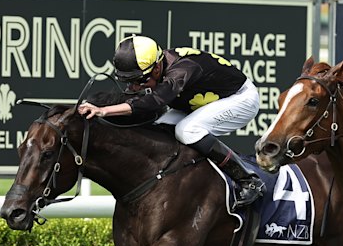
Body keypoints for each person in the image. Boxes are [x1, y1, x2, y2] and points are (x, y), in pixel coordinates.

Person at [78, 35, 264, 208]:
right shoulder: (156, 67)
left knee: (187, 130)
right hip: (205, 101)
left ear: (157, 69)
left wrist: (104, 110)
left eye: (138, 80)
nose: (134, 87)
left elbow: (154, 101)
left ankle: (248, 180)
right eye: (129, 81)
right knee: (158, 130)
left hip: (241, 99)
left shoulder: (183, 68)